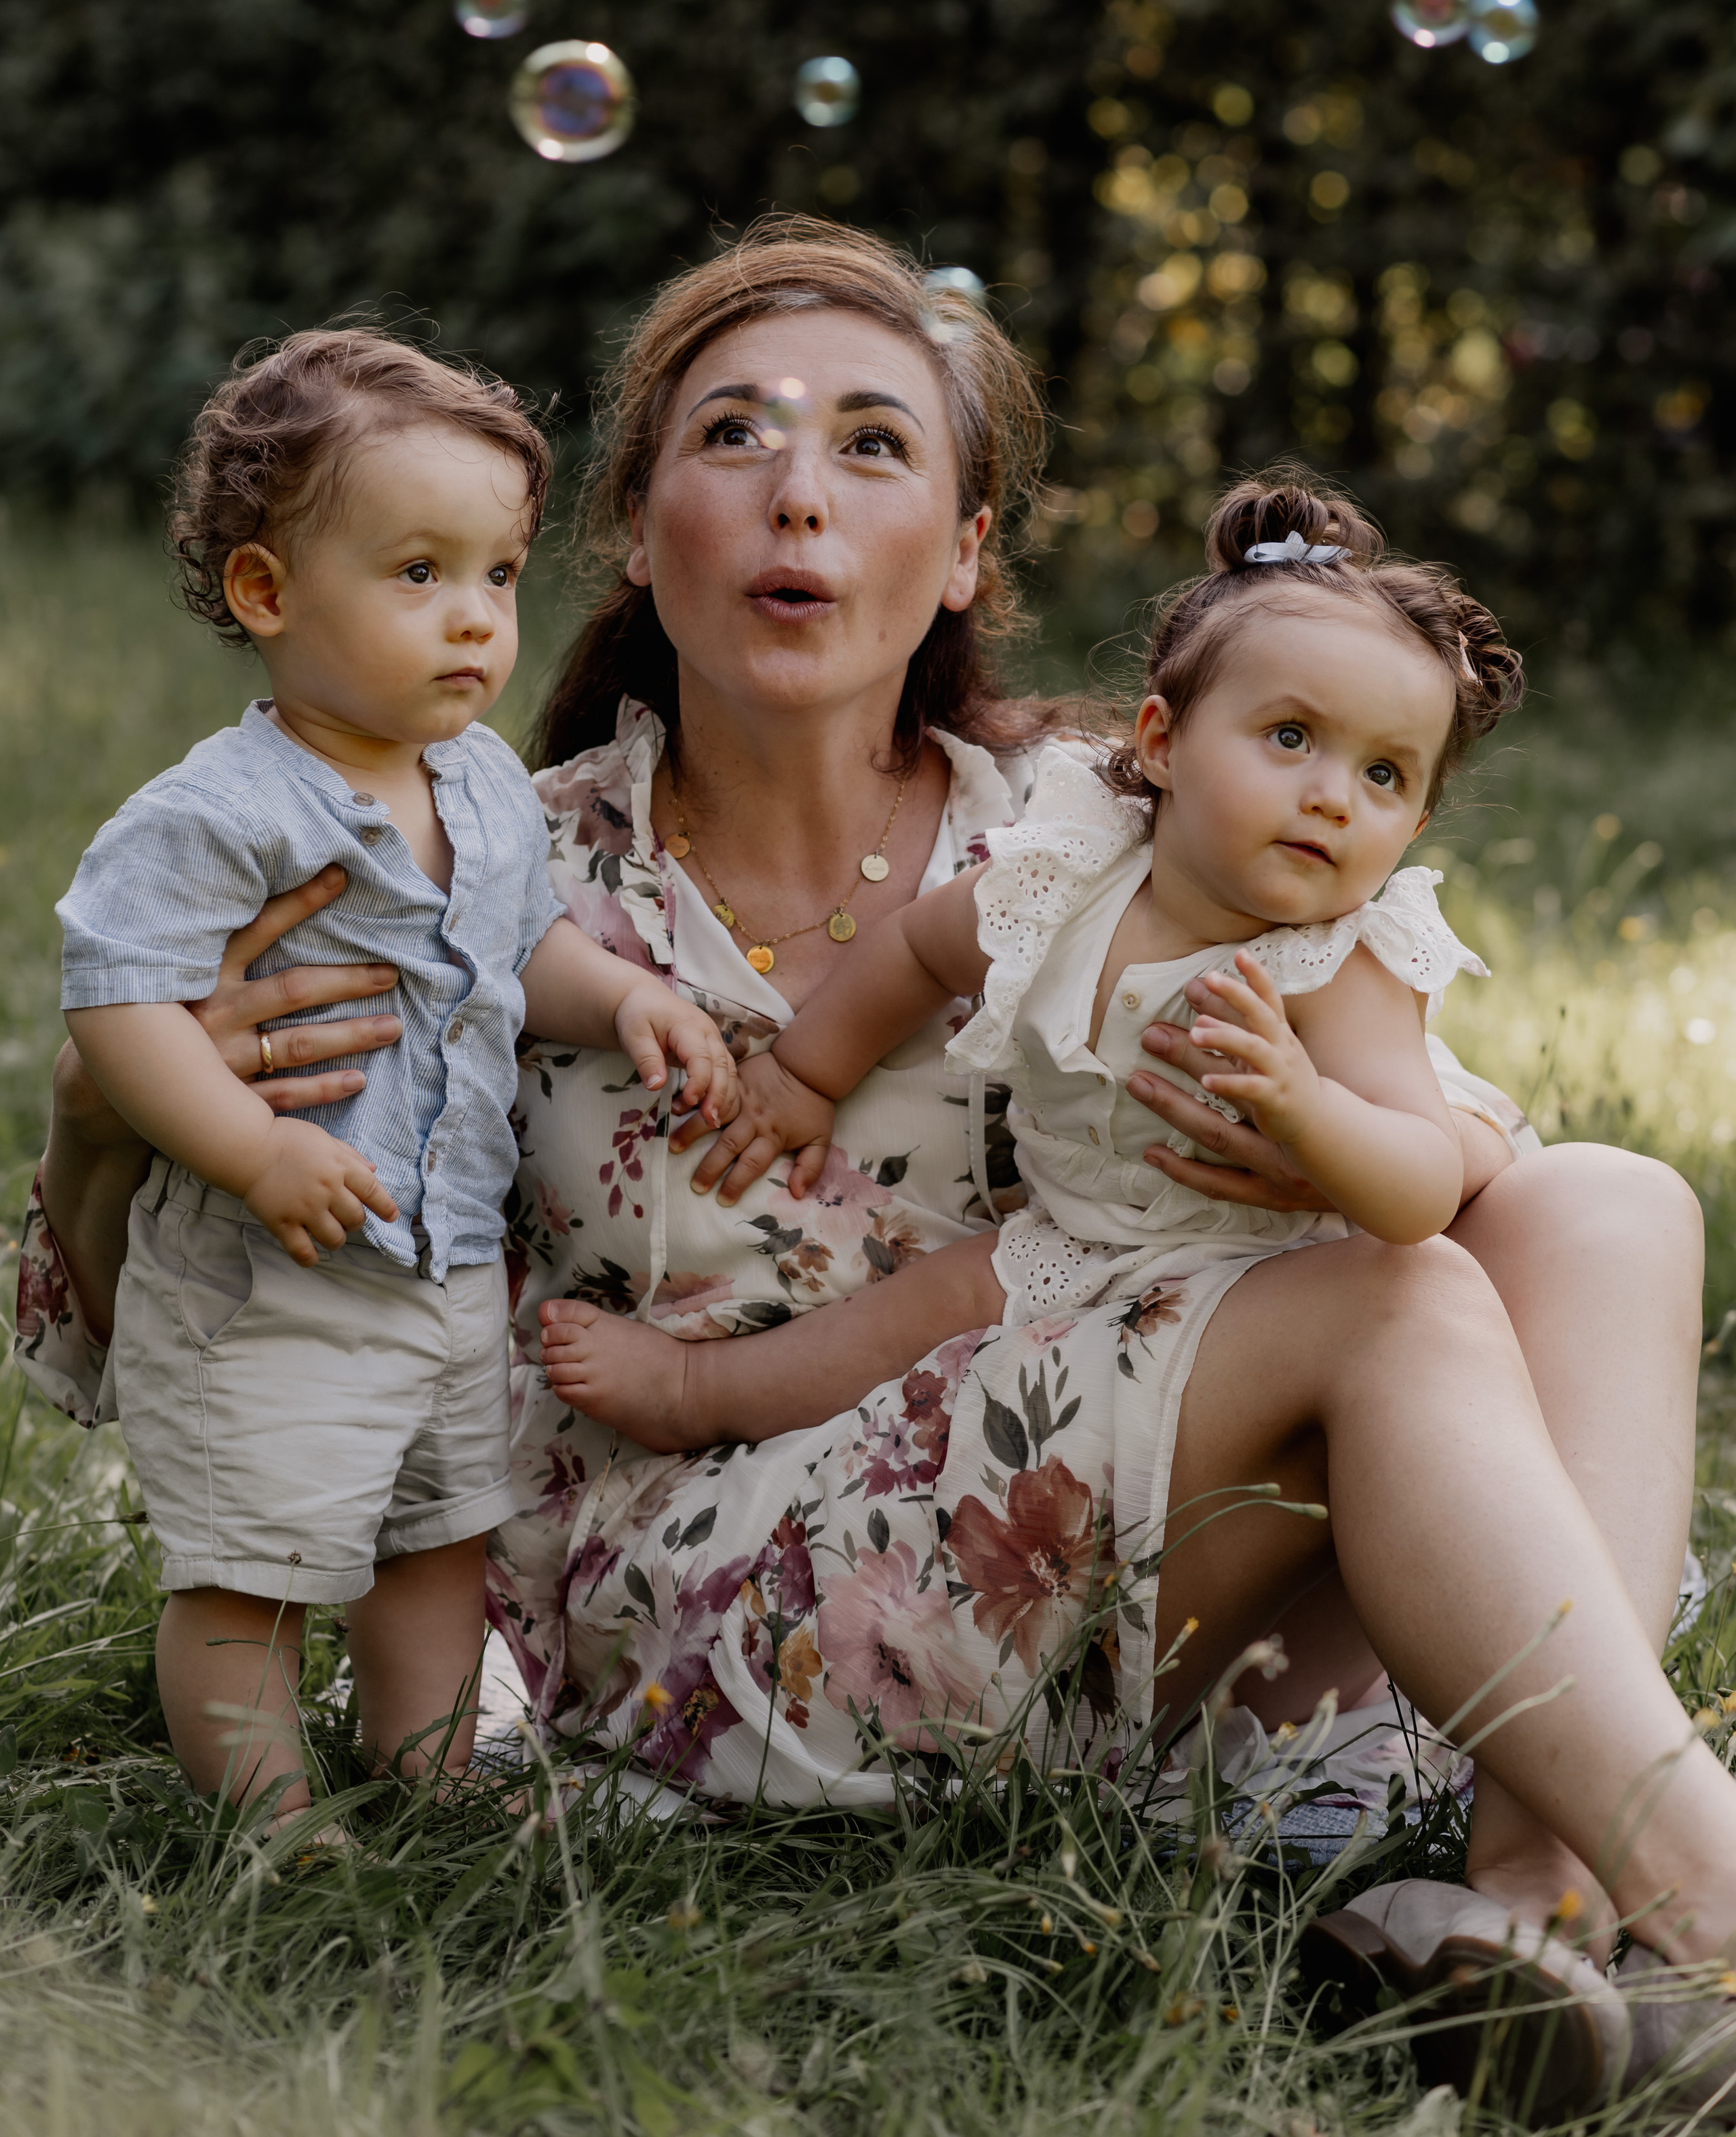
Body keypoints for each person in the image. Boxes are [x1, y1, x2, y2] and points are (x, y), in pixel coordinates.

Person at [16, 223, 1722, 2115]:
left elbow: (1456, 1128)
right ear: (638, 528)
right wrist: (108, 1123)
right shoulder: (471, 873)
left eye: (874, 446)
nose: (797, 493)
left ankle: (1525, 1910)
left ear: (972, 548)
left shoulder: (1105, 820)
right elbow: (124, 1345)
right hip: (720, 1603)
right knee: (1392, 1302)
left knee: (1609, 1205)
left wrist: (1366, 1128)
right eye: (733, 436)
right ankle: (1709, 1907)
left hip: (1133, 1564)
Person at [52, 328, 734, 1824]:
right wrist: (251, 1147)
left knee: (434, 1541)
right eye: (417, 574)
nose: (475, 621)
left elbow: (521, 944)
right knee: (259, 1569)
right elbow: (121, 1004)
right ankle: (270, 1826)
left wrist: (618, 994)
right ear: (266, 592)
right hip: (273, 1268)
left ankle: (430, 1779)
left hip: (441, 1271)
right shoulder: (218, 810)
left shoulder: (479, 776)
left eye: (494, 575)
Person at [534, 474, 1524, 1453]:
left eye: (1384, 775)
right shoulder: (1070, 883)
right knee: (935, 1300)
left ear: (1419, 824)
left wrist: (1310, 1110)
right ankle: (702, 1388)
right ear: (1163, 742)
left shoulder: (1337, 969)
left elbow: (1425, 1187)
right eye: (1292, 737)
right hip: (1080, 1249)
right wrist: (805, 1074)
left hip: (1266, 1292)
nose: (1334, 797)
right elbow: (920, 950)